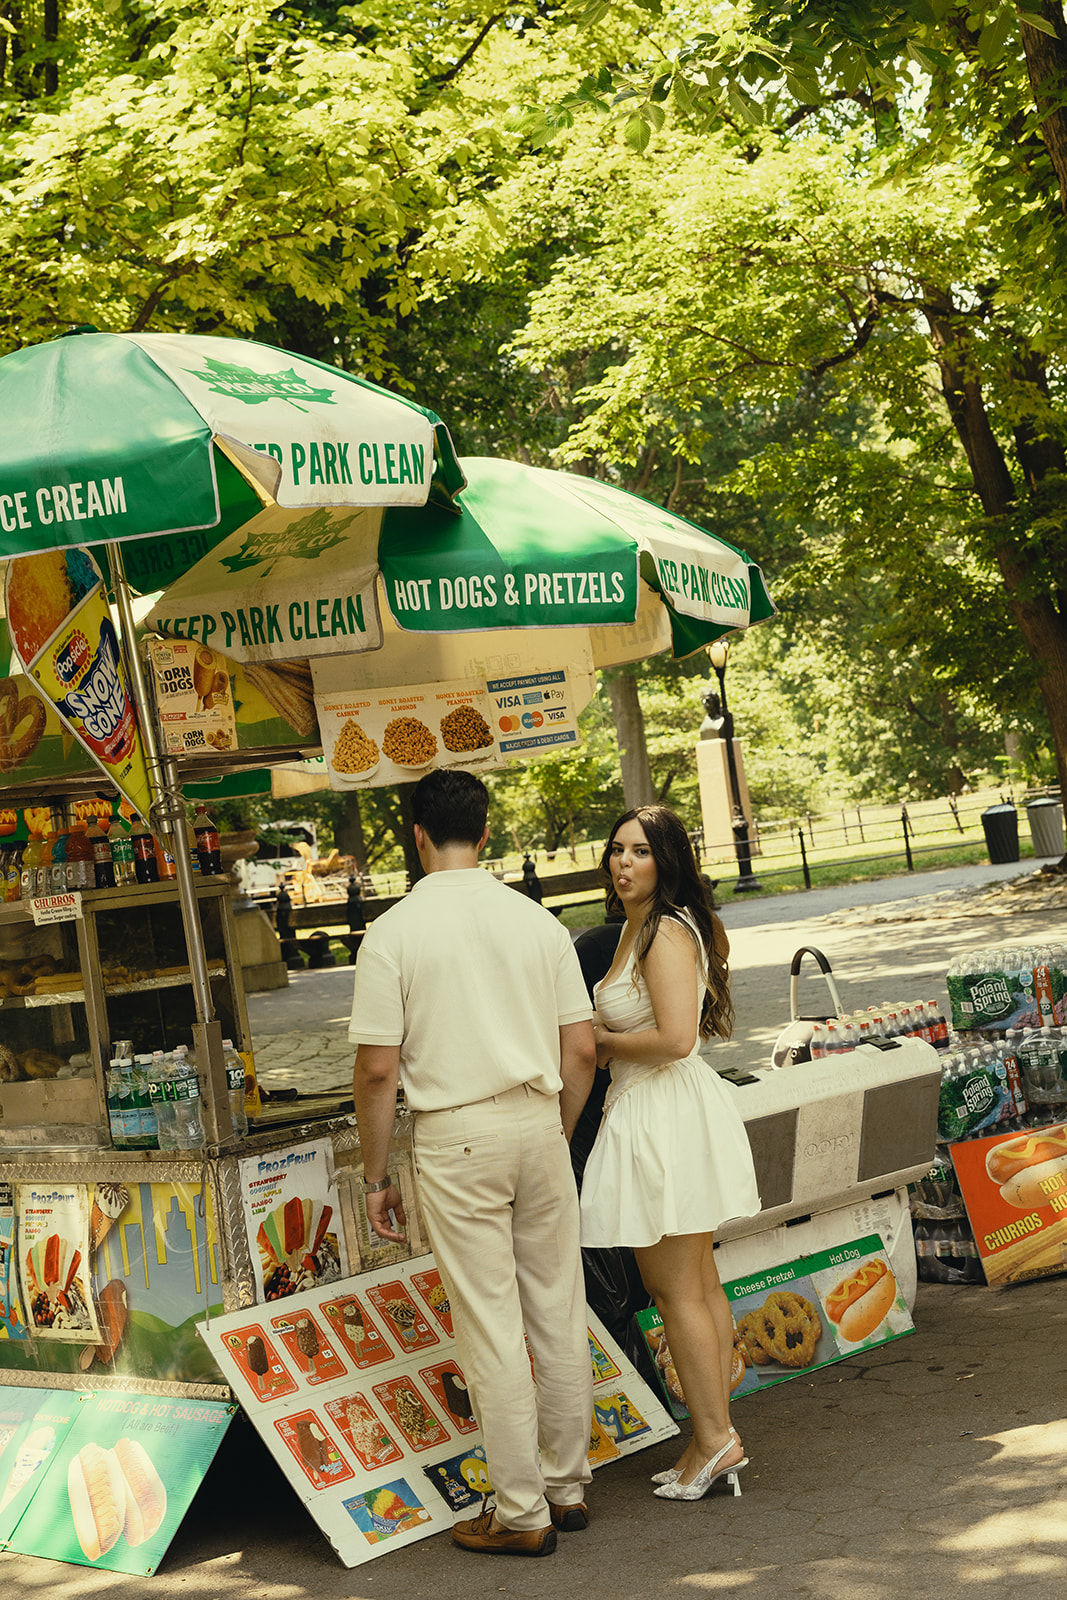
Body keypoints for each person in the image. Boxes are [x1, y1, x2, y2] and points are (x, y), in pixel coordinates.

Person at [349, 769, 596, 1558]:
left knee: (490, 1327)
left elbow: (378, 1070)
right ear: (485, 833)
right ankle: (567, 1485)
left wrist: (375, 1172)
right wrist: (551, 1126)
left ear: (414, 835)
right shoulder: (537, 922)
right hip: (538, 1121)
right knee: (556, 1310)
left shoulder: (391, 934)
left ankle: (521, 1512)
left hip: (455, 1135)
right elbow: (582, 1049)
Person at [580, 804, 761, 1502]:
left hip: (661, 1109)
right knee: (696, 1284)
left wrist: (600, 1041)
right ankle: (710, 1436)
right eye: (615, 850)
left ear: (667, 861)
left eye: (639, 852)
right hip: (659, 1108)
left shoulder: (661, 933)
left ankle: (715, 1438)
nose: (623, 863)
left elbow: (676, 1038)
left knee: (676, 1288)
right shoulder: (641, 926)